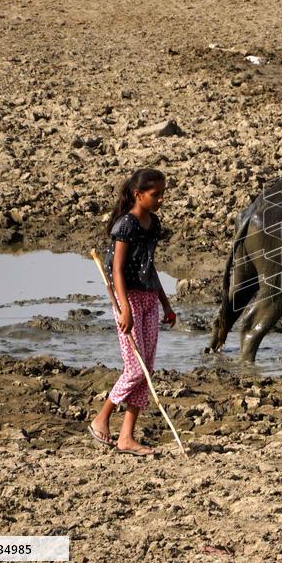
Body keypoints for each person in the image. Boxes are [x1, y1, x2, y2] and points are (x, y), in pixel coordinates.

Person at [88, 168, 176, 456]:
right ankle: (101, 418)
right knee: (135, 368)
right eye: (156, 195)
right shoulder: (125, 225)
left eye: (163, 194)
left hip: (149, 298)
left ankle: (126, 436)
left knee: (146, 370)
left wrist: (165, 303)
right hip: (129, 301)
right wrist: (125, 309)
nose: (161, 199)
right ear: (138, 195)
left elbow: (149, 267)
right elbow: (116, 271)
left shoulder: (154, 224)